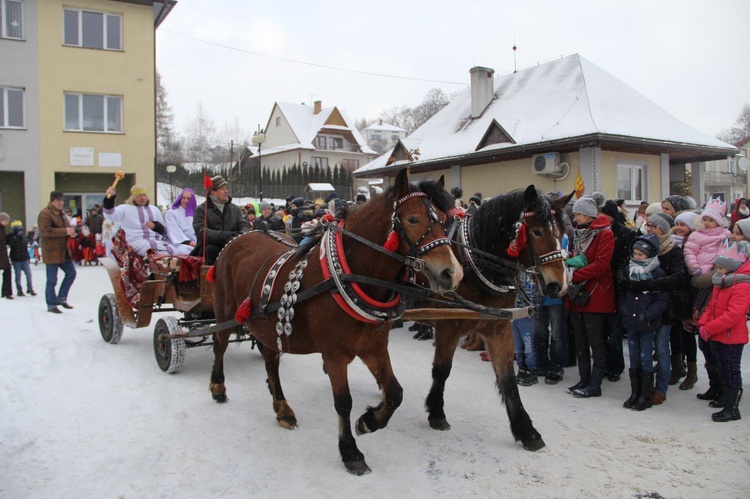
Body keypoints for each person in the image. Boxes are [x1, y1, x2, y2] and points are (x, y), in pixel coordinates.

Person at [625, 212, 691, 405]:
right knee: (642, 351)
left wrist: (651, 284)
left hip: (664, 306)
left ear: (663, 228)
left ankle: (660, 388)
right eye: (649, 224)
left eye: (655, 226)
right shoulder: (641, 246)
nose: (650, 228)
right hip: (643, 307)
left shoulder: (673, 250)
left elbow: (679, 277)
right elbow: (625, 272)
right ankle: (641, 389)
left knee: (662, 348)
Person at [565, 196, 616, 398]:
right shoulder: (580, 233)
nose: (575, 219)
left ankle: (595, 384)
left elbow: (601, 264)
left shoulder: (605, 234)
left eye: (578, 214)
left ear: (588, 214)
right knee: (580, 341)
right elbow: (578, 257)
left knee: (596, 341)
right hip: (577, 293)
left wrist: (574, 275)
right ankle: (583, 379)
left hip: (596, 294)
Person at [697, 239, 750, 422]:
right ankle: (724, 399)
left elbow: (733, 315)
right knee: (722, 368)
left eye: (720, 268)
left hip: (731, 338)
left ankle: (732, 408)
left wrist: (709, 328)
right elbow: (712, 307)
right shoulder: (722, 282)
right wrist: (703, 323)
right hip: (718, 335)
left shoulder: (741, 285)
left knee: (731, 371)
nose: (717, 271)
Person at [618, 233, 669, 411]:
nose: (637, 257)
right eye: (635, 254)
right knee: (633, 358)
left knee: (645, 357)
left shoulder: (657, 273)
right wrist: (625, 311)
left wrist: (648, 314)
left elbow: (662, 300)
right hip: (631, 322)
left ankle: (645, 395)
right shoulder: (628, 271)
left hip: (647, 324)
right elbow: (623, 295)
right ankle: (635, 392)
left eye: (641, 254)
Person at [601, 199, 635, 382]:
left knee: (614, 330)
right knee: (603, 330)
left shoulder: (625, 234)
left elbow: (626, 260)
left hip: (616, 285)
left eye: (605, 214)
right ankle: (605, 363)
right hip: (602, 285)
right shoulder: (597, 232)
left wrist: (617, 276)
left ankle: (615, 365)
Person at [103, 184, 176, 257]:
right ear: (133, 197)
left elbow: (163, 230)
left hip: (156, 240)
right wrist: (110, 198)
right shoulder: (124, 208)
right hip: (135, 241)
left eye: (144, 195)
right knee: (152, 248)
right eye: (138, 195)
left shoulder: (154, 209)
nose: (142, 198)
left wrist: (156, 226)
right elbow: (110, 215)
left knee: (175, 251)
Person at [192, 175, 249, 265]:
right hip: (212, 247)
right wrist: (223, 236)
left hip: (234, 244)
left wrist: (242, 235)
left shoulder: (235, 209)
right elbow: (202, 232)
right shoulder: (202, 210)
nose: (226, 191)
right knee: (210, 250)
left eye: (226, 188)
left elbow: (243, 224)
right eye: (222, 189)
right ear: (213, 192)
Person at [38, 191, 77, 313]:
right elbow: (46, 231)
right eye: (58, 200)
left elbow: (65, 228)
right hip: (52, 251)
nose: (61, 203)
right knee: (51, 279)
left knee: (71, 273)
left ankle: (62, 297)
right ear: (52, 201)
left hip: (63, 251)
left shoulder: (62, 213)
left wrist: (72, 232)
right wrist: (65, 231)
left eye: (62, 200)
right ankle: (51, 304)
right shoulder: (44, 214)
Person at [683, 197, 730, 277]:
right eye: (704, 220)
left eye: (711, 220)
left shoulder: (725, 234)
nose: (707, 223)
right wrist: (694, 266)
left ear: (718, 222)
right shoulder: (696, 235)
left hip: (719, 269)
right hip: (701, 270)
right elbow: (690, 252)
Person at [513, 271, 543, 386]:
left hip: (528, 314)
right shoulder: (516, 272)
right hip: (515, 313)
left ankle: (532, 370)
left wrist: (531, 309)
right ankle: (522, 368)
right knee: (518, 346)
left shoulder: (534, 273)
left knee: (528, 345)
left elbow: (535, 295)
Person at [164, 188, 197, 254]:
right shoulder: (172, 213)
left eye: (188, 198)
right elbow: (173, 230)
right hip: (177, 243)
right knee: (184, 251)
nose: (185, 200)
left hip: (195, 242)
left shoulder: (196, 213)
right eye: (183, 198)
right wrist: (188, 242)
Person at [8, 220, 36, 296]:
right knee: (18, 275)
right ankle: (19, 290)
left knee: (29, 274)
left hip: (24, 259)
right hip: (16, 260)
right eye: (18, 229)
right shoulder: (11, 237)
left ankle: (30, 288)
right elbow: (11, 244)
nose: (20, 231)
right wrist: (15, 237)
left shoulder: (23, 237)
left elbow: (26, 243)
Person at [0, 212, 12, 299]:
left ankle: (6, 292)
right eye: (6, 220)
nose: (7, 222)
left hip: (3, 254)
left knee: (7, 271)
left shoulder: (3, 229)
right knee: (7, 271)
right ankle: (6, 292)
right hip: (1, 254)